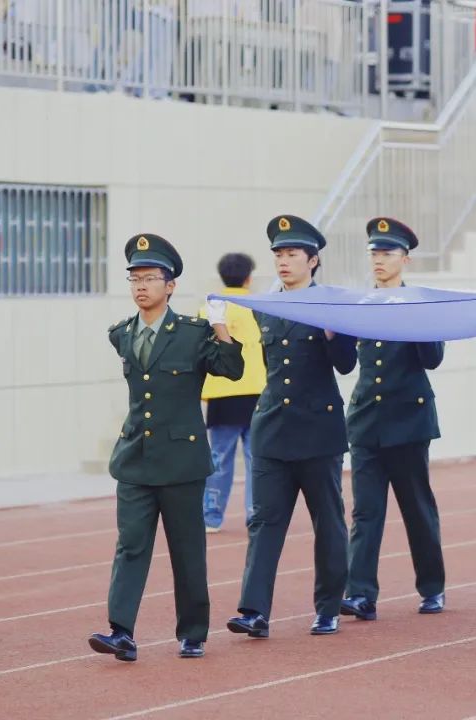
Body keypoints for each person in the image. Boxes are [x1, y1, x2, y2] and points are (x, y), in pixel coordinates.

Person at [89, 233, 244, 662]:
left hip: (181, 462)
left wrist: (220, 325)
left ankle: (192, 633)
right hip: (135, 459)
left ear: (170, 285)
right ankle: (121, 631)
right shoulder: (121, 334)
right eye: (134, 278)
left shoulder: (193, 333)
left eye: (150, 278)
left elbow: (232, 369)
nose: (141, 286)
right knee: (131, 546)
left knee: (187, 551)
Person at [227, 215, 357, 638]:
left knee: (328, 523)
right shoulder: (267, 307)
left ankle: (328, 608)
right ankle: (254, 611)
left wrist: (334, 333)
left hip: (318, 430)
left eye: (291, 254)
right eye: (278, 255)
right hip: (272, 429)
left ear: (312, 260)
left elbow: (346, 365)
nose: (283, 262)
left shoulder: (330, 305)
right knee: (264, 522)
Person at [341, 218, 446, 622]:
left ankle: (432, 587)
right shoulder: (361, 304)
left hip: (408, 420)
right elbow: (347, 362)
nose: (379, 260)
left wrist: (416, 319)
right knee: (365, 512)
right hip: (367, 420)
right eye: (375, 254)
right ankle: (360, 593)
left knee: (416, 509)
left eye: (387, 253)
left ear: (406, 259)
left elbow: (433, 359)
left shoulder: (419, 302)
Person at [200, 253, 265, 533]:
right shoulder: (258, 307)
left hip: (222, 393)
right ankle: (255, 515)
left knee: (219, 458)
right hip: (256, 392)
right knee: (255, 459)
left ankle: (211, 516)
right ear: (249, 278)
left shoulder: (209, 308)